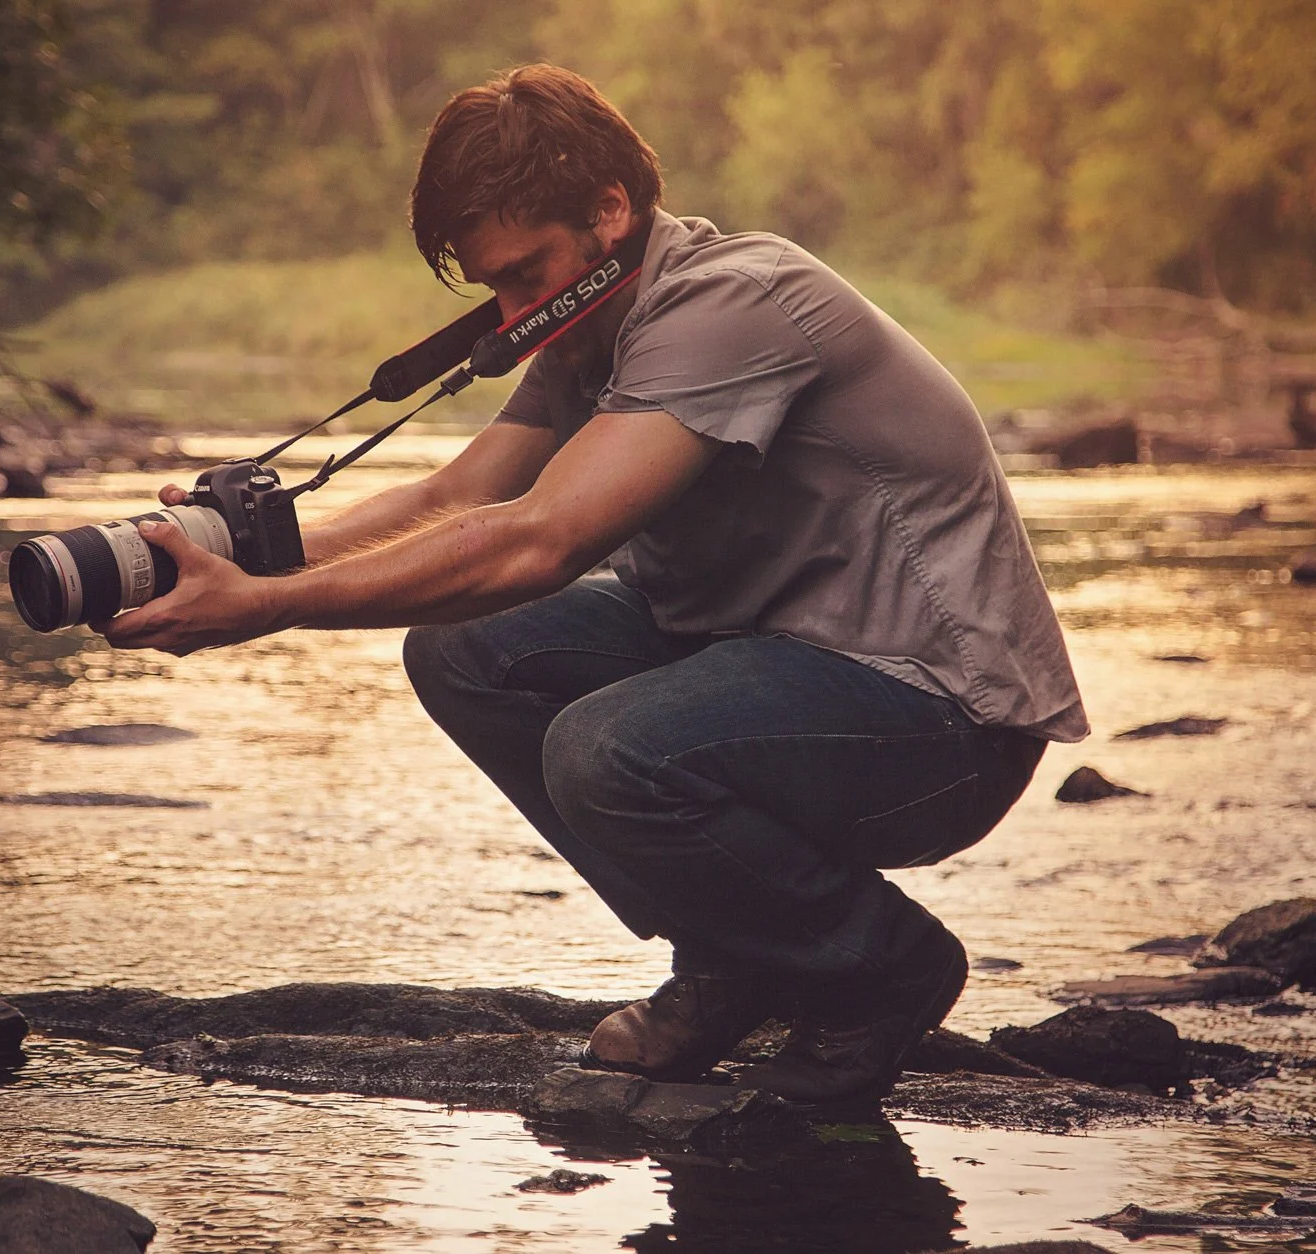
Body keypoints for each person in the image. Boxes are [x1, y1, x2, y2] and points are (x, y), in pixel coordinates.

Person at [100, 64, 1087, 1103]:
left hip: (941, 725)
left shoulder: (727, 303)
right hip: (783, 672)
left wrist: (266, 608)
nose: (517, 310)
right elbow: (467, 489)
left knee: (607, 747)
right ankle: (736, 960)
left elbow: (542, 540)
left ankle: (879, 963)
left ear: (611, 213)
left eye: (528, 276)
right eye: (496, 289)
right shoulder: (587, 322)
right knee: (468, 650)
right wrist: (250, 560)